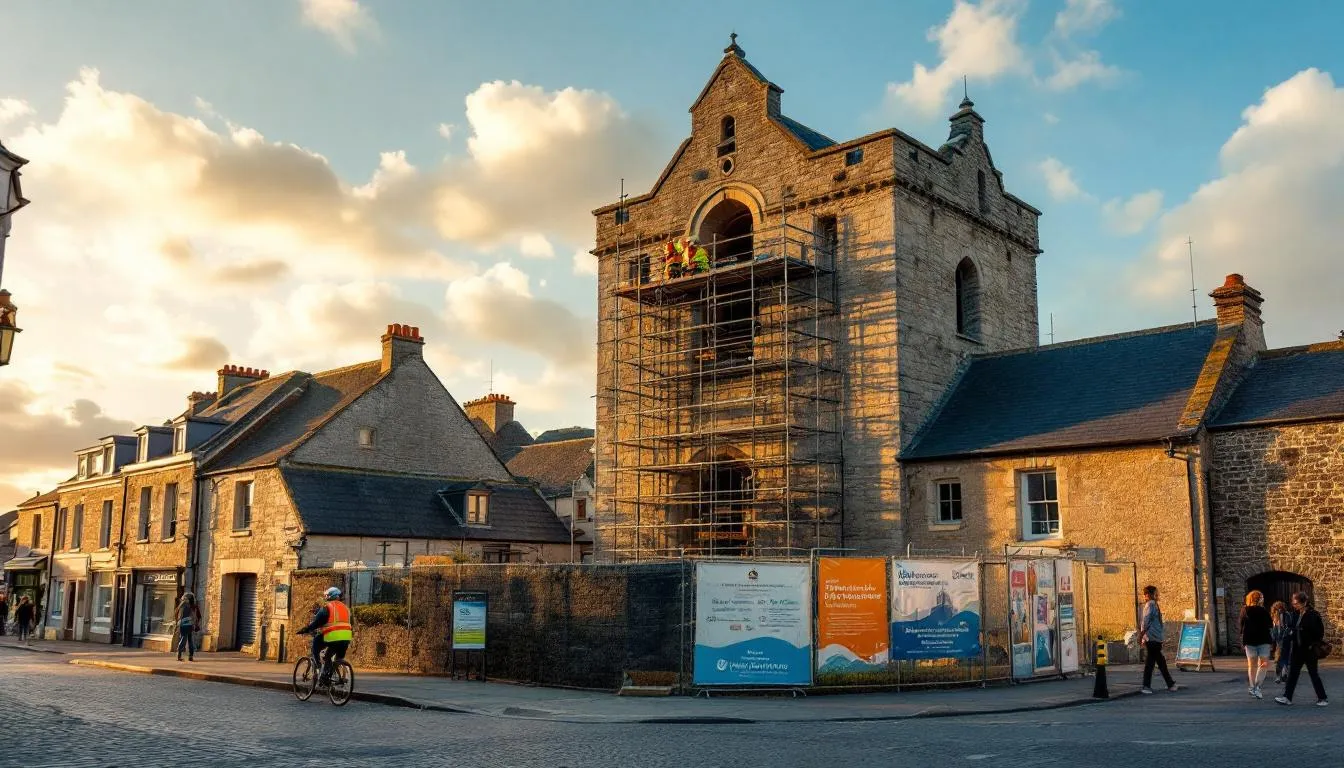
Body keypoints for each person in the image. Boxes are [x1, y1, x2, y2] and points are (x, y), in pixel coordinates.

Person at [1276, 591, 1328, 707]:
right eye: (1293, 603)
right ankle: (1287, 697)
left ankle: (1322, 698)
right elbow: (1291, 628)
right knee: (1293, 674)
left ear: (1304, 602)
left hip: (1309, 649)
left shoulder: (1313, 615)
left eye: (1296, 603)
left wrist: (1310, 640)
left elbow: (1319, 632)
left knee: (1313, 674)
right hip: (1297, 649)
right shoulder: (1295, 614)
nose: (1294, 605)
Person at [296, 586, 352, 684]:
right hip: (346, 638)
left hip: (333, 636)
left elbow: (316, 622)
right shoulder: (345, 608)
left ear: (329, 597)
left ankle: (318, 666)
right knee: (334, 658)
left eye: (326, 596)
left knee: (316, 645)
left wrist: (306, 629)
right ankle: (335, 677)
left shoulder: (327, 607)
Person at [1139, 585, 1178, 694]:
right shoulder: (1150, 605)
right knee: (1152, 663)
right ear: (1148, 595)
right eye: (1155, 593)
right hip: (1152, 638)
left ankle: (1170, 683)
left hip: (1155, 637)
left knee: (1159, 662)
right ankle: (1147, 686)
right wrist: (1141, 636)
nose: (1157, 595)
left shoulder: (1154, 605)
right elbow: (1145, 622)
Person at [1240, 590, 1273, 698]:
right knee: (1263, 664)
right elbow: (1270, 625)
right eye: (1262, 598)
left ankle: (1251, 686)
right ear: (1259, 599)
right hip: (1263, 640)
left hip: (1249, 640)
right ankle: (1257, 687)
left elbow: (1241, 625)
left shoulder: (1244, 610)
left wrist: (1242, 639)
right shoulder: (1264, 611)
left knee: (1251, 665)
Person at [1270, 600, 1295, 684]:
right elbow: (1274, 628)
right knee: (1279, 657)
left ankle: (1284, 675)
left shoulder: (1287, 615)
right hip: (1278, 639)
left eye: (1280, 608)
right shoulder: (1274, 616)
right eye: (1277, 608)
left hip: (1286, 638)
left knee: (1284, 657)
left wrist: (1287, 633)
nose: (1279, 610)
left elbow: (1290, 626)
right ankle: (1279, 675)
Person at [174, 592, 202, 662]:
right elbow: (199, 616)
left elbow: (176, 612)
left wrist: (177, 621)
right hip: (191, 625)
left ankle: (179, 655)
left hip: (183, 624)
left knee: (183, 639)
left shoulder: (182, 604)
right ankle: (191, 656)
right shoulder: (194, 606)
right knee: (191, 641)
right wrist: (196, 623)